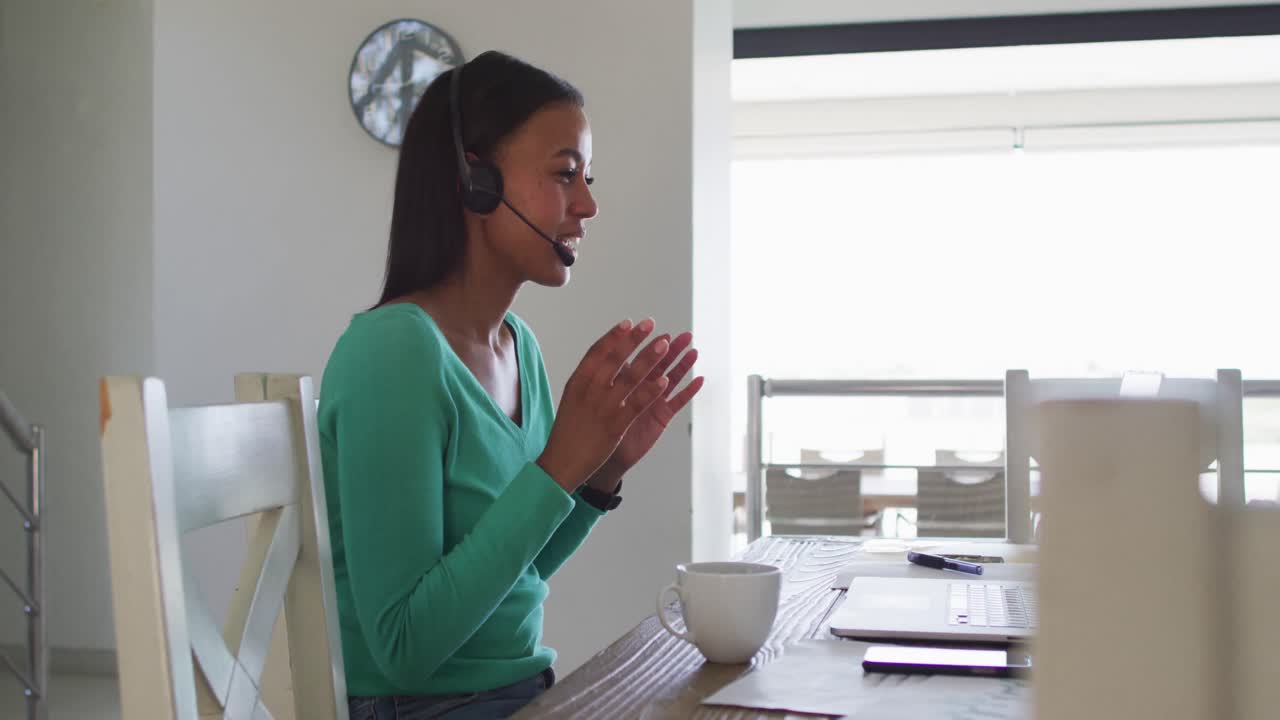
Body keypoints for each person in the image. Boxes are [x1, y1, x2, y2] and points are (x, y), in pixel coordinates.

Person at [318, 50, 703, 720]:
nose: (588, 203)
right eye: (564, 174)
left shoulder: (515, 346)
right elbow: (405, 647)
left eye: (586, 177)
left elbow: (514, 575)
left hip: (517, 696)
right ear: (475, 181)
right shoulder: (394, 353)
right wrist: (557, 469)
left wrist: (599, 473)